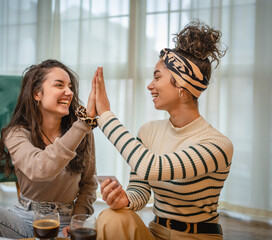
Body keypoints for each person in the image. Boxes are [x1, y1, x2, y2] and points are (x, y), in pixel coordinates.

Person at [89, 20, 233, 240]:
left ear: (182, 87)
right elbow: (140, 191)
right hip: (155, 233)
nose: (150, 85)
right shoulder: (148, 132)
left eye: (157, 77)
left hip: (197, 237)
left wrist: (106, 116)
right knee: (111, 216)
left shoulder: (217, 145)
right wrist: (124, 200)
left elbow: (151, 167)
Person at [0, 59, 98, 239]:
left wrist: (76, 223)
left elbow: (89, 184)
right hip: (23, 218)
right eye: (59, 85)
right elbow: (40, 169)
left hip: (64, 222)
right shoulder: (16, 133)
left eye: (70, 86)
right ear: (37, 94)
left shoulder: (81, 133)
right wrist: (82, 126)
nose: (69, 92)